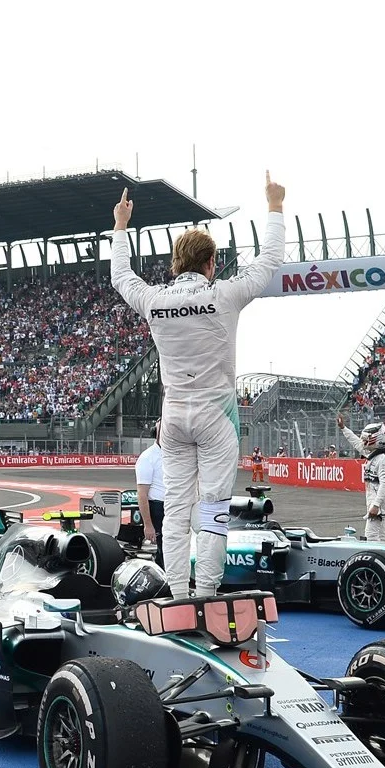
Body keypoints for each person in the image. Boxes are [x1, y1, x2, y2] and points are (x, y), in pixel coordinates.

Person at [111, 173, 288, 597]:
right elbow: (270, 260)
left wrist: (120, 226)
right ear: (210, 263)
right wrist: (275, 206)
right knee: (212, 510)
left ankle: (176, 593)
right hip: (216, 419)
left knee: (175, 509)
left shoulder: (154, 300)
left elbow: (121, 276)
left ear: (176, 264)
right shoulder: (225, 294)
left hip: (172, 418)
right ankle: (206, 593)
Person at [339, 416, 385, 541]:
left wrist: (376, 505)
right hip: (374, 497)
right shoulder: (373, 454)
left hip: (379, 499)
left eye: (367, 439)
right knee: (382, 535)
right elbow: (356, 442)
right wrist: (343, 428)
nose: (364, 442)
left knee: (370, 535)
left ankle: (375, 553)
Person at [134, 421, 167, 565]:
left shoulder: (175, 455)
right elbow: (142, 494)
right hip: (158, 508)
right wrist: (148, 525)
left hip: (174, 506)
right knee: (164, 549)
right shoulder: (147, 457)